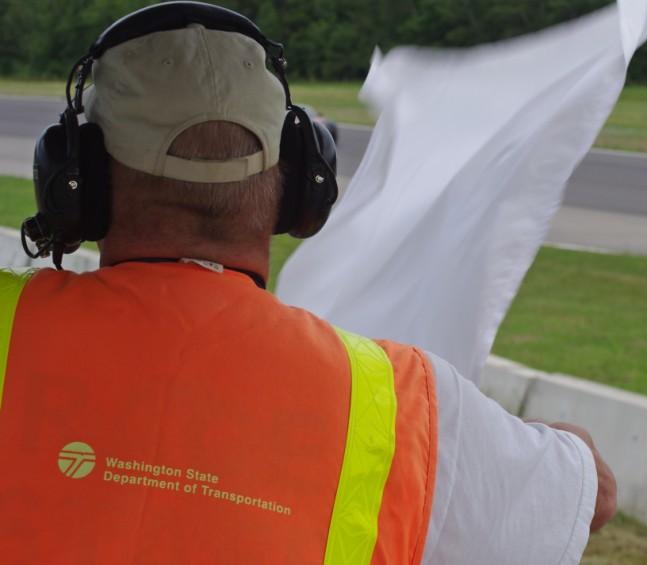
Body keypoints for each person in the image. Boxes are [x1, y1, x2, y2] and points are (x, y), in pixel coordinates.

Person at [0, 3, 615, 564]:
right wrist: (569, 449)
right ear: (301, 186)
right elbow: (591, 500)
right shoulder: (405, 402)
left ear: (75, 182)